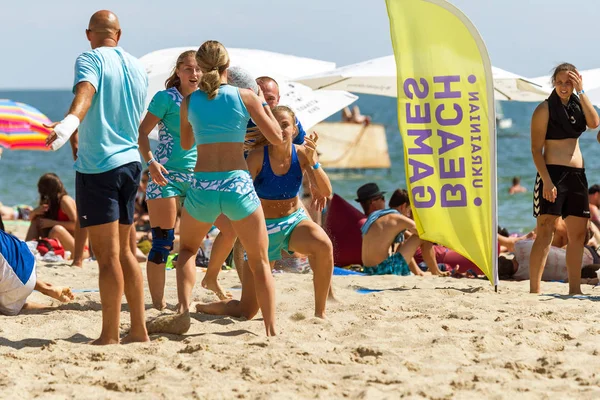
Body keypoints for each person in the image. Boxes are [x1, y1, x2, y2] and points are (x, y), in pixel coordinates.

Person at [147, 40, 283, 337]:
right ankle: (271, 330)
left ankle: (183, 311)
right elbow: (275, 137)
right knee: (259, 260)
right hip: (236, 184)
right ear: (227, 66)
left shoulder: (189, 102)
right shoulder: (245, 96)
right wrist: (260, 102)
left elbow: (185, 143)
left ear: (202, 66)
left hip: (203, 185)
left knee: (186, 251)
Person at [45, 10, 149, 345]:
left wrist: (67, 125)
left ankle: (109, 335)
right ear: (119, 34)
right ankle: (138, 330)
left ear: (89, 33)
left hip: (100, 166)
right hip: (131, 164)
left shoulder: (89, 58)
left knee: (106, 257)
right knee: (127, 253)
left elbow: (86, 95)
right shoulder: (137, 66)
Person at [197, 106, 334, 319]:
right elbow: (238, 196)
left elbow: (326, 191)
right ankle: (205, 307)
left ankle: (320, 313)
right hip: (262, 229)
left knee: (323, 244)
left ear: (294, 128)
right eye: (275, 124)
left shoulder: (302, 155)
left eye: (285, 124)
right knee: (248, 311)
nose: (280, 129)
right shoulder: (256, 157)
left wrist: (314, 161)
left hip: (293, 221)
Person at [529, 63, 600, 295]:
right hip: (553, 174)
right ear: (553, 83)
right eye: (559, 82)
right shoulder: (544, 109)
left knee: (578, 234)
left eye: (568, 82)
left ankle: (575, 288)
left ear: (576, 81)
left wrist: (581, 90)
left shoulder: (578, 105)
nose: (563, 86)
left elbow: (594, 123)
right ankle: (535, 290)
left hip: (578, 176)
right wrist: (547, 181)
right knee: (546, 230)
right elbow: (535, 150)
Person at [357, 183, 438, 276]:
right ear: (403, 206)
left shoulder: (377, 216)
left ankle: (419, 272)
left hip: (368, 270)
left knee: (404, 243)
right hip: (383, 270)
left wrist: (417, 272)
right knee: (423, 236)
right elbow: (424, 233)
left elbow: (401, 246)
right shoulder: (398, 218)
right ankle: (435, 271)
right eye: (409, 210)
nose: (408, 214)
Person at [0, 229, 74, 315]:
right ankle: (46, 288)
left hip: (15, 283)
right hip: (26, 256)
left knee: (9, 294)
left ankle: (15, 299)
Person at [24, 173, 89, 260]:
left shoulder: (64, 200)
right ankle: (26, 250)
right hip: (62, 245)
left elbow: (77, 224)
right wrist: (35, 212)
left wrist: (52, 223)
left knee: (57, 230)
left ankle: (48, 248)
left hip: (79, 249)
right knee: (37, 221)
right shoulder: (50, 202)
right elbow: (31, 220)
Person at [498, 239, 597, 283]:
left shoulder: (520, 277)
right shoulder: (519, 246)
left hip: (583, 272)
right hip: (585, 253)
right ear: (503, 258)